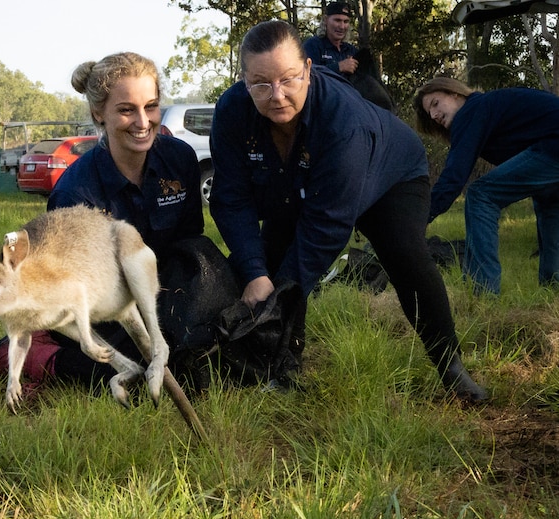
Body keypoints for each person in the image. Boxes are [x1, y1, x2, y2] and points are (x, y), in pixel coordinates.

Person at [208, 19, 489, 403]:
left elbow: (326, 226)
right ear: (243, 81)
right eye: (261, 84)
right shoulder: (231, 112)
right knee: (270, 259)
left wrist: (280, 297)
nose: (276, 95)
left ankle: (451, 366)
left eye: (289, 79)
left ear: (308, 69)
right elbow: (231, 196)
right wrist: (256, 274)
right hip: (301, 181)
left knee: (403, 254)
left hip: (393, 174)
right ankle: (282, 367)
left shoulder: (344, 122)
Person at [0, 52, 224, 396]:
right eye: (126, 110)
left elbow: (190, 241)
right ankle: (27, 355)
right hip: (105, 306)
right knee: (124, 364)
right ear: (98, 114)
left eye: (150, 106)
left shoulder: (179, 157)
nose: (142, 121)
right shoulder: (74, 191)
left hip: (162, 285)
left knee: (219, 328)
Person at [413, 77, 559, 295]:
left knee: (481, 194)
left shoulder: (472, 110)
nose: (434, 115)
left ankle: (482, 291)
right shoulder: (485, 108)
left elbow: (454, 176)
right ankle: (552, 289)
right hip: (550, 147)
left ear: (455, 93)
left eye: (435, 103)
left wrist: (420, 217)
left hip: (553, 146)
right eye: (429, 114)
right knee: (549, 205)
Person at [303, 2, 358, 78]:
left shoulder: (351, 50)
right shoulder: (313, 45)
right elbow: (306, 74)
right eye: (337, 20)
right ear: (326, 20)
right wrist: (338, 67)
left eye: (346, 22)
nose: (342, 26)